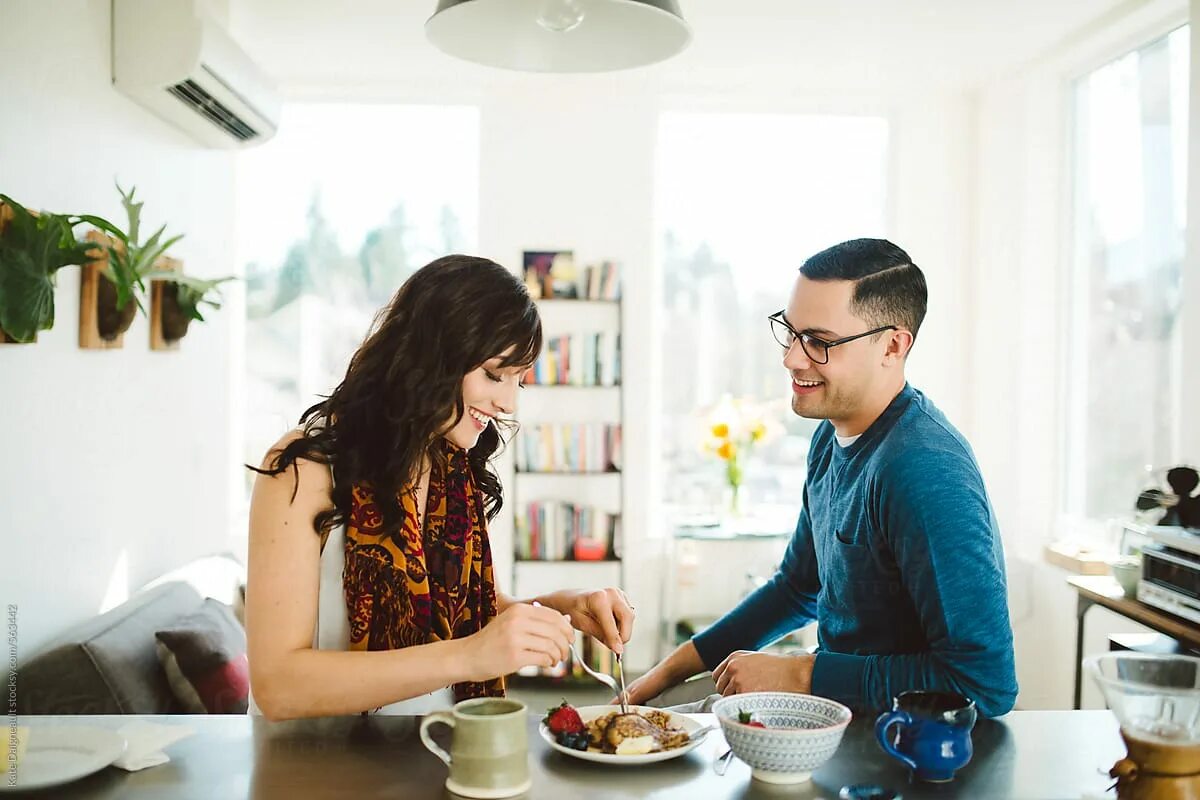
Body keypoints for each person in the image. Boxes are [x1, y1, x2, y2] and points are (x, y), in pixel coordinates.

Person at [625, 238, 1017, 717]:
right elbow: (797, 587)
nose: (791, 358)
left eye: (819, 341)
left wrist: (798, 673)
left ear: (893, 345)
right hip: (839, 720)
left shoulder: (925, 470)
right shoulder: (830, 439)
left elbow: (985, 683)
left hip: (914, 752)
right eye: (790, 332)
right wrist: (665, 673)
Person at [246, 255, 634, 720]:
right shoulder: (304, 468)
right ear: (430, 355)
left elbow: (455, 614)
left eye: (518, 381)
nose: (508, 402)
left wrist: (560, 610)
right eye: (494, 374)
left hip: (430, 753)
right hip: (317, 769)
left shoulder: (450, 463)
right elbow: (278, 687)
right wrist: (471, 656)